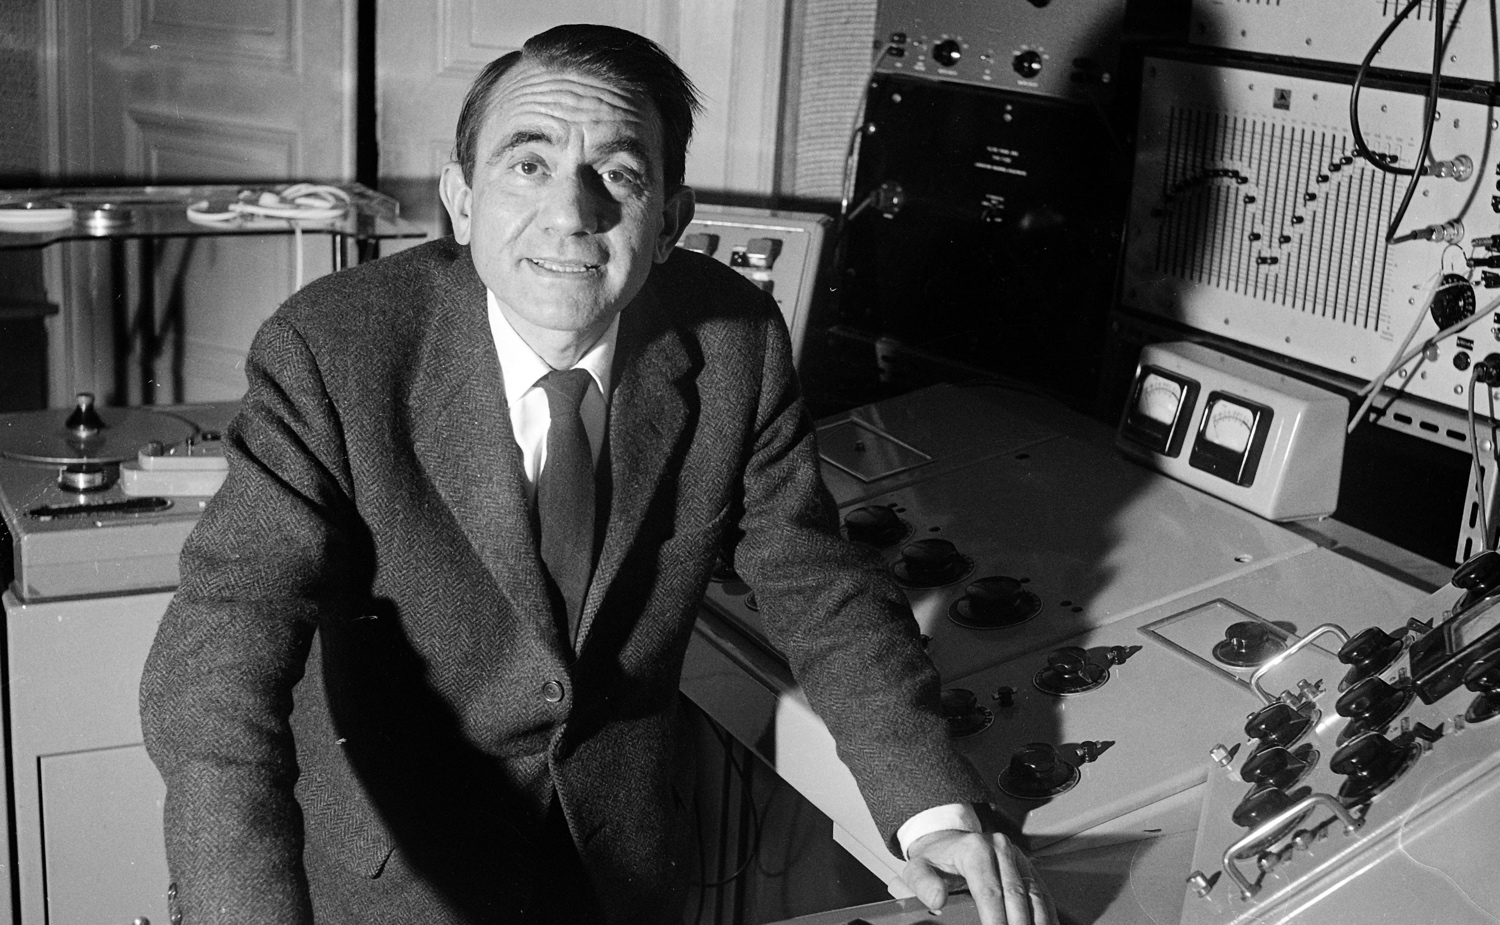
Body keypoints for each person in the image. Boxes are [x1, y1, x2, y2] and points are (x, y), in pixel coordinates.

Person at [140, 22, 1055, 925]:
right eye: (527, 164)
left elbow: (815, 580)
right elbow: (220, 657)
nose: (571, 214)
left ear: (670, 222)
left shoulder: (735, 340)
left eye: (618, 174)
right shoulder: (331, 347)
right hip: (391, 878)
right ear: (462, 200)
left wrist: (935, 813)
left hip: (616, 872)